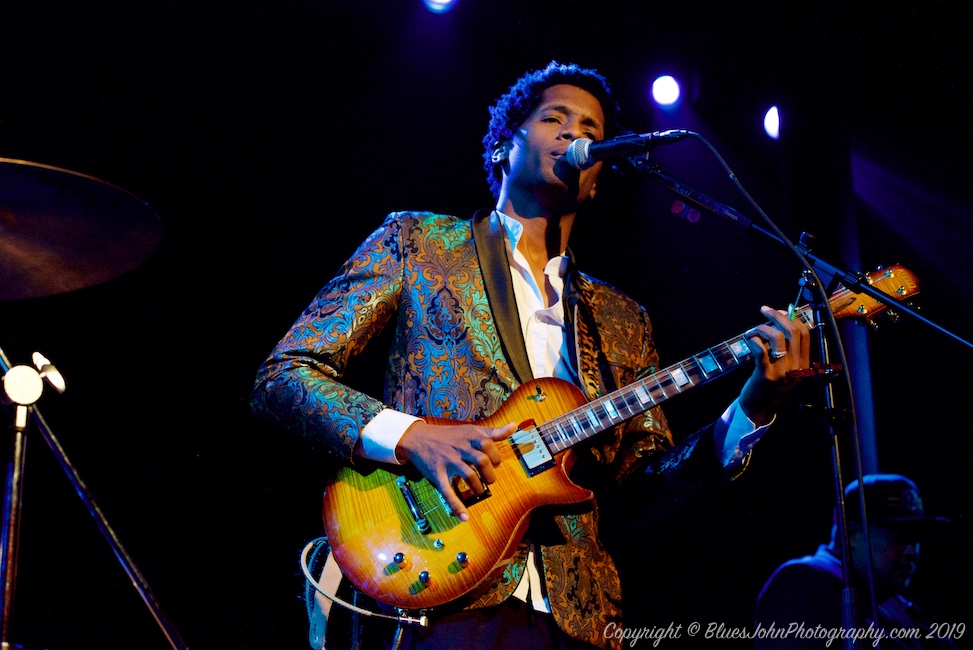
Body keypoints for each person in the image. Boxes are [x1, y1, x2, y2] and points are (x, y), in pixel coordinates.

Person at [250, 61, 810, 650]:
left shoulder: (622, 319)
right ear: (501, 146)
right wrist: (413, 434)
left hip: (582, 620)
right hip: (443, 588)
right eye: (555, 119)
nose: (576, 135)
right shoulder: (418, 243)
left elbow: (649, 495)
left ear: (597, 178)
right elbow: (285, 377)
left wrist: (756, 402)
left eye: (590, 127)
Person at [754, 473, 958, 649]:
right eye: (899, 537)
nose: (910, 551)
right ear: (850, 533)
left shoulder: (894, 601)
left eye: (916, 539)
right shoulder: (802, 583)